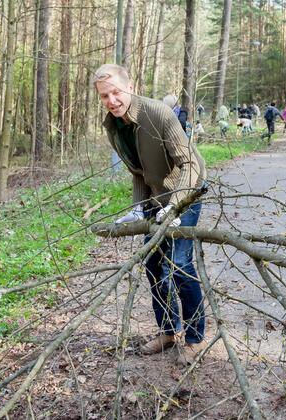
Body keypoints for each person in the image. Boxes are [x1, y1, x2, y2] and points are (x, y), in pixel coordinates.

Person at [93, 64, 207, 356]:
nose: (112, 100)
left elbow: (190, 164)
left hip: (186, 192)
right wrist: (139, 208)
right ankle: (168, 332)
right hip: (156, 200)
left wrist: (175, 205)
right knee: (154, 265)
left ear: (129, 87)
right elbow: (138, 171)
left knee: (179, 265)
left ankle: (195, 339)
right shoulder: (114, 125)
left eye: (116, 92)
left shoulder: (158, 114)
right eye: (105, 96)